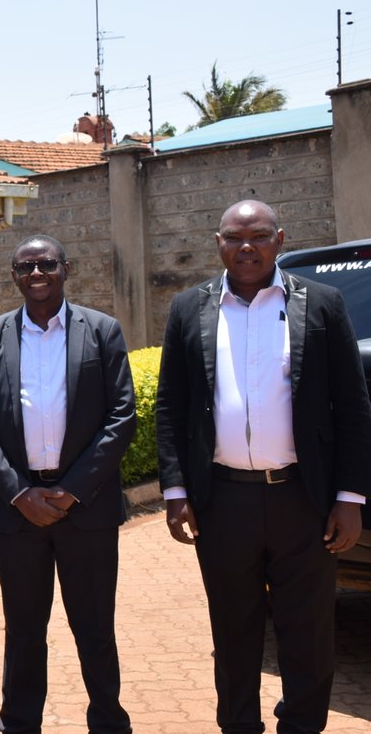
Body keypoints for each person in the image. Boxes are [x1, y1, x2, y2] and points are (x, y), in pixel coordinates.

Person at [155, 200, 371, 734]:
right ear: (218, 243)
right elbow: (171, 406)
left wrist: (349, 498)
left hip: (304, 499)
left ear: (279, 240)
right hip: (222, 501)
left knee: (309, 634)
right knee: (233, 633)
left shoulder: (321, 304)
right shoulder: (189, 307)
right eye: (234, 237)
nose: (246, 247)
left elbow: (353, 406)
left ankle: (301, 726)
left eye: (258, 236)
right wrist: (176, 490)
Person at [0, 234, 135, 734]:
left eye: (46, 264)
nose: (36, 273)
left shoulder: (101, 330)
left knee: (95, 628)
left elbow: (121, 416)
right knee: (23, 631)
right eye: (25, 267)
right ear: (14, 276)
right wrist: (19, 492)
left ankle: (108, 723)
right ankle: (18, 723)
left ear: (66, 268)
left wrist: (73, 489)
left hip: (87, 508)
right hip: (17, 510)